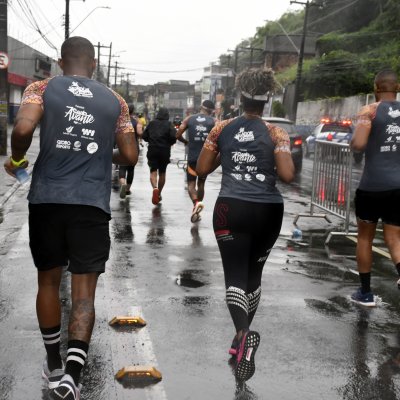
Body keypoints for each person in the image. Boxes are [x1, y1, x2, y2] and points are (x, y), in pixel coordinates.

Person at [3, 36, 137, 400]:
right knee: (83, 293)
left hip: (47, 199)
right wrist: (96, 154)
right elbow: (129, 154)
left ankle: (54, 364)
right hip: (91, 204)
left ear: (62, 62)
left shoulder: (40, 88)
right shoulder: (116, 101)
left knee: (47, 283)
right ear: (93, 63)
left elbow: (22, 130)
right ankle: (73, 379)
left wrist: (16, 162)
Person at [196, 68, 294, 382]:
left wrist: (230, 154)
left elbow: (202, 168)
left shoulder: (221, 128)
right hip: (269, 210)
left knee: (235, 275)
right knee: (253, 274)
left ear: (241, 98)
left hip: (231, 209)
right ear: (267, 102)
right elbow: (289, 176)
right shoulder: (277, 133)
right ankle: (241, 343)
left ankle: (243, 333)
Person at [350, 69, 400, 307]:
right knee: (395, 238)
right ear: (397, 87)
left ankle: (366, 293)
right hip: (398, 187)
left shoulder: (369, 111)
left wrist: (353, 141)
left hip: (372, 186)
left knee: (365, 238)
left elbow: (359, 144)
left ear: (376, 88)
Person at [176, 100, 216, 222]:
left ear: (200, 107)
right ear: (211, 111)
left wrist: (186, 142)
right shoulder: (214, 121)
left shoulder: (189, 119)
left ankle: (195, 203)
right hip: (206, 158)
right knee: (201, 184)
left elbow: (177, 134)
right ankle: (198, 205)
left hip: (192, 157)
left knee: (191, 184)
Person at [142, 107, 176, 205]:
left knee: (153, 171)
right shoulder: (169, 124)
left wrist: (151, 140)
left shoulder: (152, 123)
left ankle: (155, 188)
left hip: (153, 149)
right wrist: (169, 143)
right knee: (162, 172)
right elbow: (173, 137)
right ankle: (159, 193)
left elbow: (144, 136)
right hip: (164, 151)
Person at [119, 104, 142, 198]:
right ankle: (128, 189)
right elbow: (140, 133)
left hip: (122, 146)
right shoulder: (137, 122)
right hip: (133, 147)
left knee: (122, 167)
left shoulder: (120, 121)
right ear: (133, 111)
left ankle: (122, 183)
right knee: (131, 169)